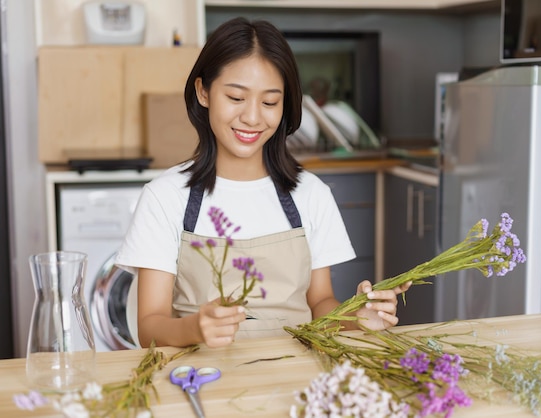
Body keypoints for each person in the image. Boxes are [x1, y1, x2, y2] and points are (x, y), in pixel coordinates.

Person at [116, 17, 410, 349]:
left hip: (295, 377)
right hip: (199, 383)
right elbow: (149, 326)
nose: (253, 117)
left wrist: (357, 318)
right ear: (203, 91)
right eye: (236, 98)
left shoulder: (311, 194)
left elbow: (321, 303)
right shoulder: (164, 197)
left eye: (269, 102)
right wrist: (195, 329)